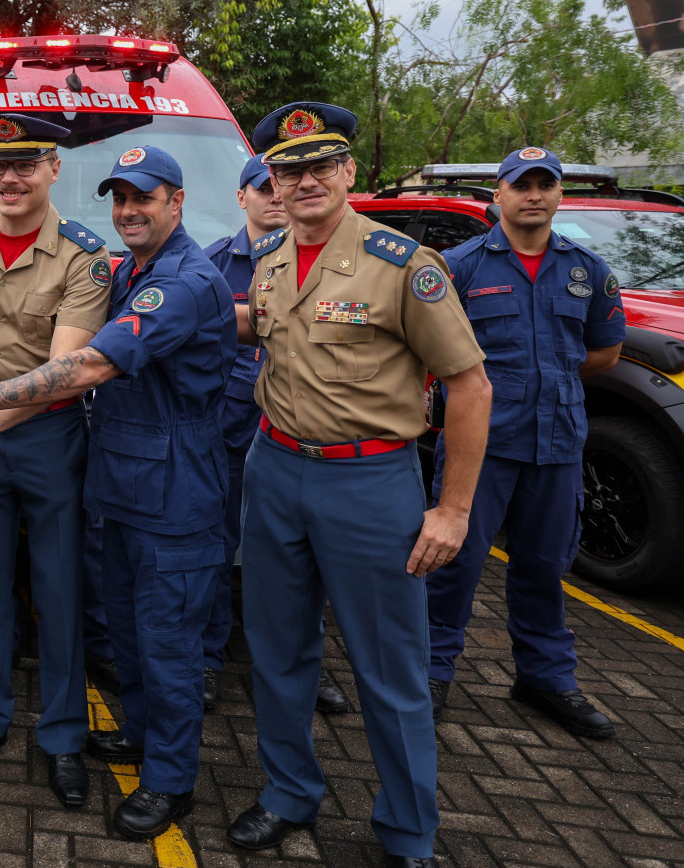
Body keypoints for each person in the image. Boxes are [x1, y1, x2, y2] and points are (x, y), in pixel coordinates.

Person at [0, 144, 232, 839]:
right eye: (121, 198)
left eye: (143, 198)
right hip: (101, 468)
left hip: (91, 451)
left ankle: (90, 746)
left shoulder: (107, 261)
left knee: (95, 611)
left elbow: (82, 366)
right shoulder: (124, 266)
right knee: (9, 595)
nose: (129, 211)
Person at [225, 103, 491, 868]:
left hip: (368, 480)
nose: (303, 180)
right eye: (287, 170)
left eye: (320, 165)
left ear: (346, 171)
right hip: (274, 468)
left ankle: (407, 830)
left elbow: (469, 386)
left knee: (388, 667)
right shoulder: (269, 258)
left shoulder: (403, 264)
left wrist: (452, 508)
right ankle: (287, 791)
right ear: (271, 182)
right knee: (277, 650)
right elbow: (266, 332)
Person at [0, 112, 112, 810]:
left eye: (26, 164)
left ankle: (63, 735)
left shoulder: (83, 257)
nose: (10, 178)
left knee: (58, 593)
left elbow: (64, 374)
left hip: (48, 439)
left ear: (53, 170)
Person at [426, 147, 623, 736]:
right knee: (453, 563)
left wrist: (545, 381)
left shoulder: (589, 270)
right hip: (479, 445)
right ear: (499, 195)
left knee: (544, 566)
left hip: (557, 444)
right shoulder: (460, 267)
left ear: (560, 194)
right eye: (521, 184)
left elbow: (604, 351)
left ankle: (545, 677)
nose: (533, 194)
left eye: (545, 184)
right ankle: (430, 671)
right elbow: (425, 351)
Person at [200, 156, 350, 717]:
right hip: (225, 437)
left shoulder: (329, 261)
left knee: (303, 558)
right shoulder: (212, 265)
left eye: (278, 185)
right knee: (214, 550)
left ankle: (301, 666)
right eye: (262, 187)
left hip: (297, 437)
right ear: (242, 197)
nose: (275, 196)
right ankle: (207, 658)